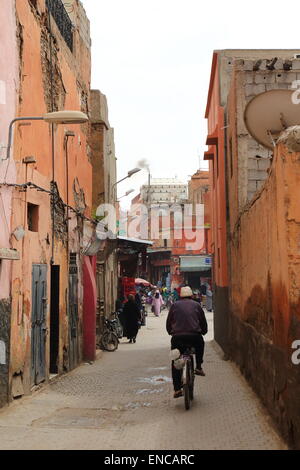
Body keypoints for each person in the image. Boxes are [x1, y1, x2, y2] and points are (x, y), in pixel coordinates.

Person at [166, 286, 208, 398]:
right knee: (200, 343)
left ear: (180, 296)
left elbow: (169, 322)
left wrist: (171, 332)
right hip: (194, 336)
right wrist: (204, 331)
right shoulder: (197, 305)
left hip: (177, 337)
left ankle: (176, 389)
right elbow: (203, 321)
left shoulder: (174, 305)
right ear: (191, 296)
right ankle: (198, 366)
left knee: (175, 361)